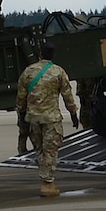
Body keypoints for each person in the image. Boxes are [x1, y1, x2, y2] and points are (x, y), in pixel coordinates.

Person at [16, 42, 80, 198]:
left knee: (39, 150)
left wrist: (22, 117)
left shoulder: (28, 72)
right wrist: (73, 113)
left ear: (40, 54)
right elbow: (67, 95)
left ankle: (45, 176)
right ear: (52, 55)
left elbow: (21, 98)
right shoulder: (58, 72)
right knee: (50, 150)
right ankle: (47, 184)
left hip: (34, 119)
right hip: (51, 119)